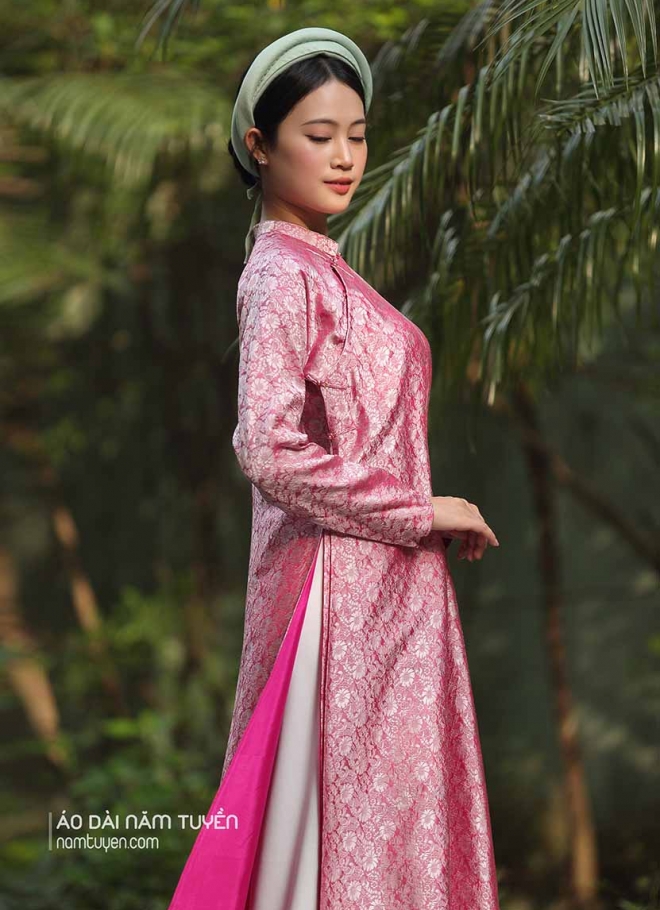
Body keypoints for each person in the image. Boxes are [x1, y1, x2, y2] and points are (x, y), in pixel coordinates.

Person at [166, 26, 501, 910]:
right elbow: (266, 446)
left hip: (387, 595)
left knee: (381, 843)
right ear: (260, 144)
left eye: (357, 135)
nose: (346, 157)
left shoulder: (324, 271)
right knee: (337, 851)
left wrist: (415, 520)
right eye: (319, 136)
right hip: (340, 603)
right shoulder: (283, 274)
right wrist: (419, 510)